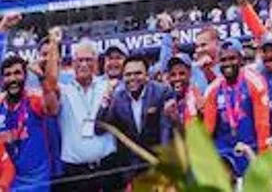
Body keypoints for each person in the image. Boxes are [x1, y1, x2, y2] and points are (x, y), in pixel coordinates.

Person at [97, 54, 174, 183]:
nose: (132, 78)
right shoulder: (117, 98)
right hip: (130, 170)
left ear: (147, 75)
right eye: (128, 74)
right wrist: (105, 101)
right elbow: (99, 129)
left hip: (157, 164)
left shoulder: (162, 92)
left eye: (138, 73)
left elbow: (165, 130)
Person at [0, 29, 60, 191]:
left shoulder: (33, 100)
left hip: (37, 184)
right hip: (8, 183)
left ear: (25, 76)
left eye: (17, 73)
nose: (13, 79)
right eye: (8, 75)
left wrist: (42, 79)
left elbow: (53, 109)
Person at [202, 39, 271, 176]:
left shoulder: (255, 82)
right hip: (224, 153)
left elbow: (262, 124)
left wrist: (263, 158)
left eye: (232, 58)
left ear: (241, 60)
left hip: (249, 148)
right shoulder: (213, 89)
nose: (227, 63)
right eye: (223, 60)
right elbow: (207, 130)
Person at [55, 39, 118, 192]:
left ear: (96, 62)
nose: (83, 64)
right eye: (79, 60)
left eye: (88, 59)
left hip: (107, 166)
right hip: (75, 172)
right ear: (73, 63)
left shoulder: (108, 86)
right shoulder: (62, 91)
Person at [163, 53, 203, 131]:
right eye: (173, 75)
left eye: (182, 74)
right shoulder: (166, 98)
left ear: (190, 73)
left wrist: (175, 119)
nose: (177, 78)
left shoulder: (196, 97)